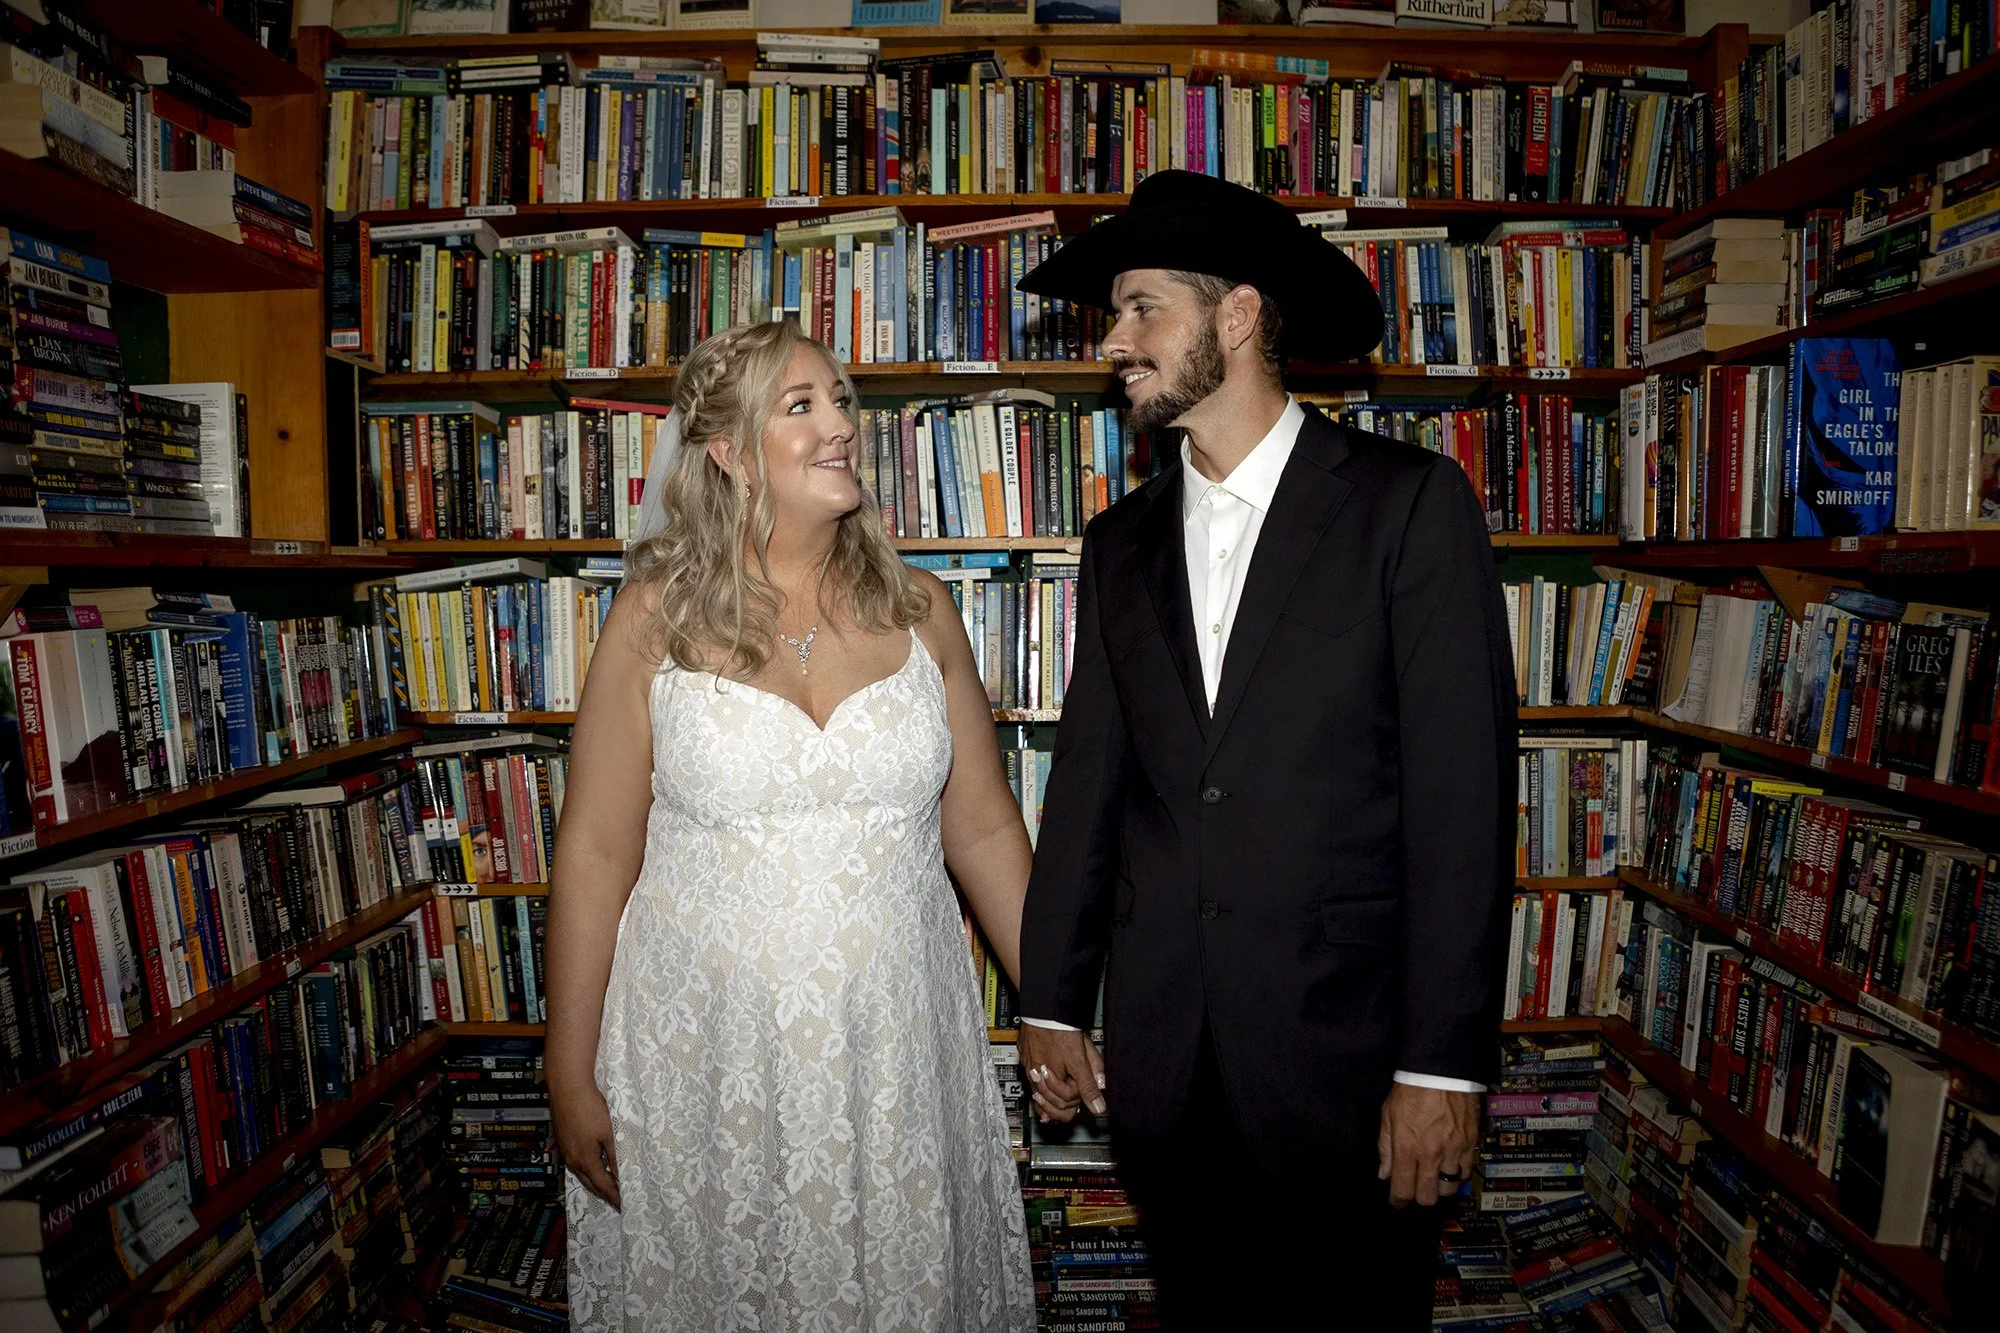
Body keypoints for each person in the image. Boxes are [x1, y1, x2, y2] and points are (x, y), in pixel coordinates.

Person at [1011, 171, 1518, 1329]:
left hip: (1349, 1070)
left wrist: (1440, 1069)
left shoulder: (1405, 504)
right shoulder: (1118, 543)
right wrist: (1051, 996)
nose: (1114, 341)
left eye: (1141, 309)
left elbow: (1462, 801)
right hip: (1166, 1070)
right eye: (1114, 314)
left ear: (1235, 316)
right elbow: (1092, 782)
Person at [543, 320, 1036, 1332]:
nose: (841, 425)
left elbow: (984, 831)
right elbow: (595, 851)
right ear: (724, 450)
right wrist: (568, 1064)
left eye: (843, 401)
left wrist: (1059, 1003)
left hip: (894, 1049)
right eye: (800, 405)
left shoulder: (922, 611)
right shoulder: (650, 618)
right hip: (705, 1061)